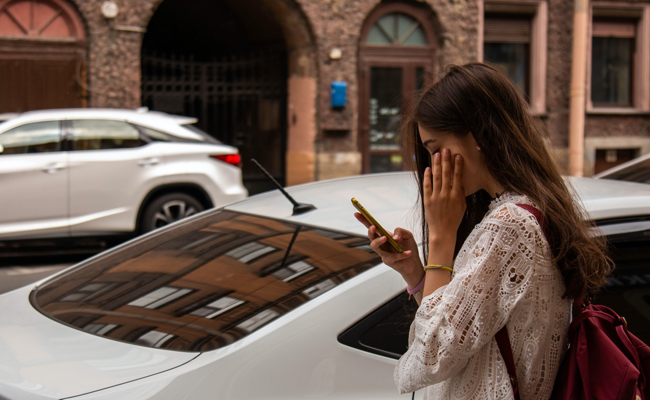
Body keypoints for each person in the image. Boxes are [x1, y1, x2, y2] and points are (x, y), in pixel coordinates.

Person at [354, 63, 612, 400]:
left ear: (477, 135)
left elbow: (431, 355)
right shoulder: (522, 213)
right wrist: (415, 272)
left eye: (435, 148)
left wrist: (442, 239)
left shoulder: (510, 226)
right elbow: (461, 331)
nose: (432, 165)